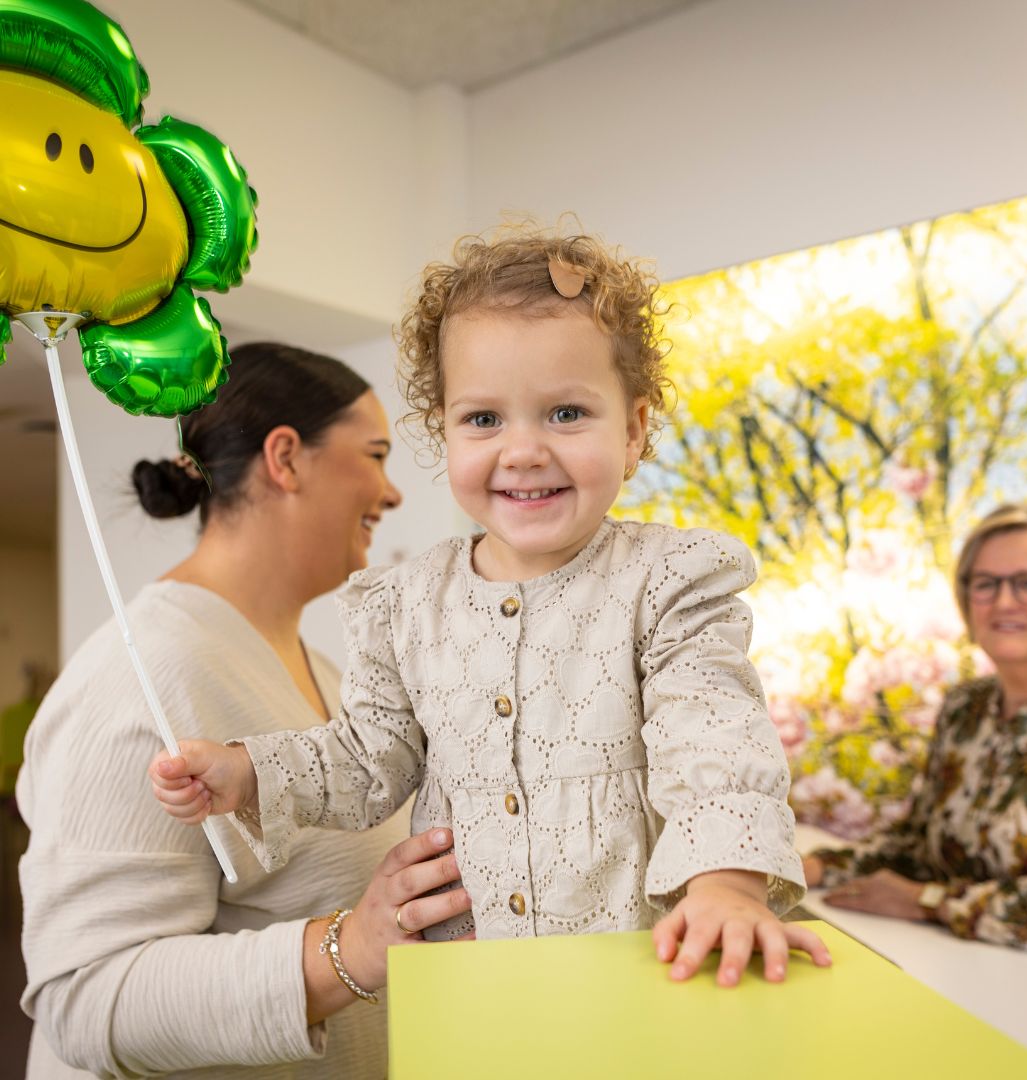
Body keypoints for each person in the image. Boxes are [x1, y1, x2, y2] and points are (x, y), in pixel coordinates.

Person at [152, 226, 831, 988]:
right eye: (483, 419)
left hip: (639, 973)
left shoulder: (668, 583)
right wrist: (250, 771)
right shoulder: (403, 605)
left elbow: (715, 738)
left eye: (567, 414)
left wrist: (726, 886)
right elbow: (368, 761)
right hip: (466, 984)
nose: (524, 450)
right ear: (443, 431)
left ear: (635, 429)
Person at [18, 343, 472, 1078]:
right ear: (286, 458)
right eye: (376, 455)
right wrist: (349, 951)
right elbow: (86, 998)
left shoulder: (322, 673)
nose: (391, 494)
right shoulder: (138, 678)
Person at [803, 504, 1027, 955]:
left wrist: (930, 902)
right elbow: (917, 845)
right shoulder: (965, 708)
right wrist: (813, 868)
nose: (1004, 601)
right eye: (985, 584)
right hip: (954, 969)